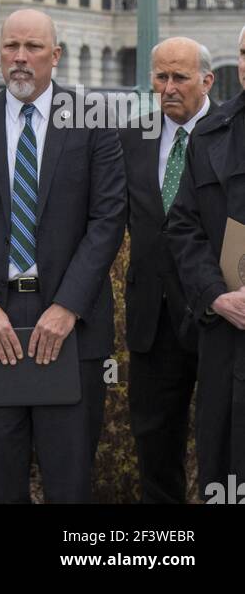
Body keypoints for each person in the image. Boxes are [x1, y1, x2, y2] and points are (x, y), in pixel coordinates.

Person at [0, 9, 127, 504]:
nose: (21, 57)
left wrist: (67, 308)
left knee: (69, 486)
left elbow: (107, 222)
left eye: (34, 47)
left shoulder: (94, 120)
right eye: (11, 47)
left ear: (56, 55)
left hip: (70, 327)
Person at [119, 37, 212, 504]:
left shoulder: (231, 133)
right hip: (151, 322)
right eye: (161, 77)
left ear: (207, 81)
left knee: (225, 449)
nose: (169, 87)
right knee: (155, 452)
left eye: (180, 77)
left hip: (220, 316)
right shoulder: (131, 138)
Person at [167, 25, 245, 500]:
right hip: (226, 334)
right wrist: (217, 296)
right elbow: (183, 227)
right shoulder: (212, 133)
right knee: (224, 465)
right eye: (243, 52)